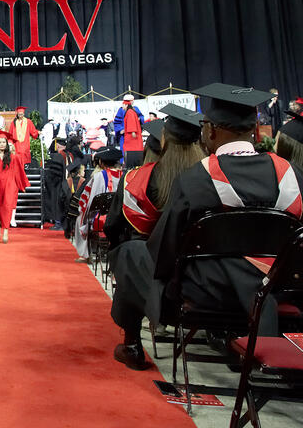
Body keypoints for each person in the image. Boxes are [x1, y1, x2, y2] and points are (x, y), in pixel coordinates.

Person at [117, 84, 303, 371]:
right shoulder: (292, 176)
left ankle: (132, 345)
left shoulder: (198, 180)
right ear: (254, 130)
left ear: (212, 131)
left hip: (207, 295)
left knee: (131, 252)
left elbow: (164, 251)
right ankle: (234, 337)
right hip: (277, 290)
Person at [102, 104, 204, 369]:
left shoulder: (138, 179)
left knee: (129, 253)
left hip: (158, 281)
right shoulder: (212, 179)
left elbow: (113, 226)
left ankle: (132, 344)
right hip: (207, 281)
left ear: (164, 139)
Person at [74, 147, 124, 263]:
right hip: (121, 217)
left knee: (80, 219)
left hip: (103, 218)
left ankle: (85, 255)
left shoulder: (100, 176)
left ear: (101, 162)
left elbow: (92, 200)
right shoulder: (124, 174)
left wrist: (84, 212)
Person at [0, 130, 29, 243]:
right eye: (0, 142)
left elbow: (19, 172)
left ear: (7, 144)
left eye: (4, 142)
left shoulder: (13, 158)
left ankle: (6, 231)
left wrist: (22, 185)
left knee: (6, 207)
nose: (2, 144)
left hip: (9, 185)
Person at [113, 94, 144, 159]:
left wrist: (139, 119)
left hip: (131, 133)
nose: (133, 101)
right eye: (132, 100)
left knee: (131, 151)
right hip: (125, 133)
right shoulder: (121, 110)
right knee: (126, 152)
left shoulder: (134, 109)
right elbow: (117, 121)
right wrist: (121, 129)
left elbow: (140, 117)